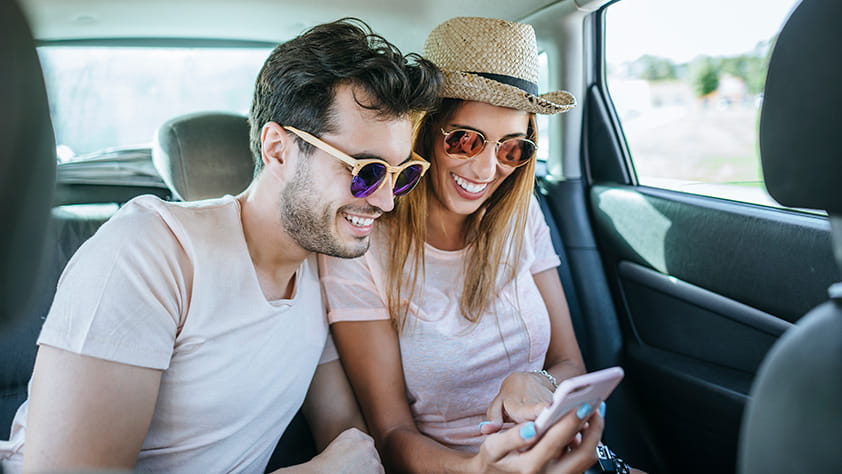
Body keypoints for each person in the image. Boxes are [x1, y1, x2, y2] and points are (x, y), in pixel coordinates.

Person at [0, 18, 441, 473]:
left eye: (400, 175)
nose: (386, 201)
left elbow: (348, 438)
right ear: (278, 150)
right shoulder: (151, 251)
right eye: (365, 171)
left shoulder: (320, 267)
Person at [320, 16, 620, 473]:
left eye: (511, 149)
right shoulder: (362, 244)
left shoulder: (523, 218)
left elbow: (568, 363)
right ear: (424, 132)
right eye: (465, 140)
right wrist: (479, 467)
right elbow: (391, 433)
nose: (485, 171)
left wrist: (534, 381)